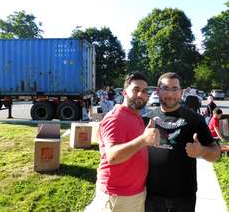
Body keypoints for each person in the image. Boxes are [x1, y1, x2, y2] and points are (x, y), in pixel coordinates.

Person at [144, 72, 221, 212]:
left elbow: (216, 154)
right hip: (152, 197)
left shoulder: (195, 119)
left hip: (184, 197)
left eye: (175, 89)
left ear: (181, 92)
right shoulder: (146, 119)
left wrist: (202, 151)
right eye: (165, 88)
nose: (170, 94)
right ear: (157, 90)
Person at [85, 71, 160, 212]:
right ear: (125, 92)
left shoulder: (136, 116)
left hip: (134, 193)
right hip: (117, 197)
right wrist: (143, 140)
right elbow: (113, 156)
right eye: (136, 90)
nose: (140, 95)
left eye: (144, 91)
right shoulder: (115, 118)